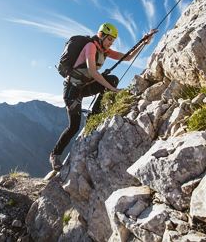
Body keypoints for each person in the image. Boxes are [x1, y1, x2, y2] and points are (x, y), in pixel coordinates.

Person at [50, 23, 153, 171]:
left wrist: (143, 42)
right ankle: (55, 155)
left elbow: (127, 57)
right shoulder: (91, 46)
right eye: (109, 39)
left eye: (113, 40)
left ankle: (94, 116)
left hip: (83, 86)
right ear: (101, 35)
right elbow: (92, 71)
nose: (111, 42)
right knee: (73, 127)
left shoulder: (104, 50)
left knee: (112, 79)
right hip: (72, 89)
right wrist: (112, 90)